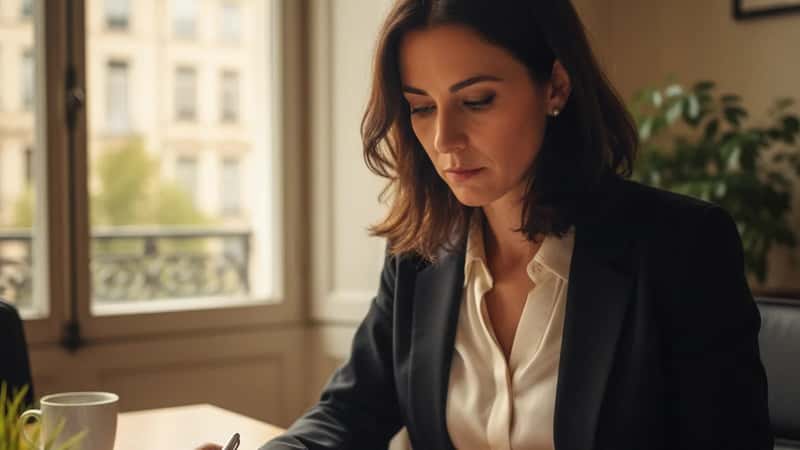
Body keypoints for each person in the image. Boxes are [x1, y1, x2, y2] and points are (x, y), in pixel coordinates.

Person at [202, 1, 773, 449]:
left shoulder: (681, 247)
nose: (444, 140)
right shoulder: (419, 255)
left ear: (555, 86)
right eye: (421, 107)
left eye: (476, 100)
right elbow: (351, 410)